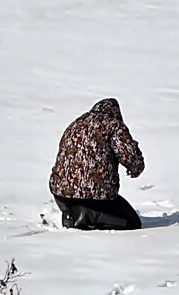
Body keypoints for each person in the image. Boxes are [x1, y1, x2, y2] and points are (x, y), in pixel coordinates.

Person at [49, 98, 145, 230]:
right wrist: (135, 169)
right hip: (94, 194)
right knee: (131, 222)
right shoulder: (112, 125)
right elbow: (130, 156)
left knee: (84, 199)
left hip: (61, 193)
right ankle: (82, 215)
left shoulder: (75, 123)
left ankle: (73, 211)